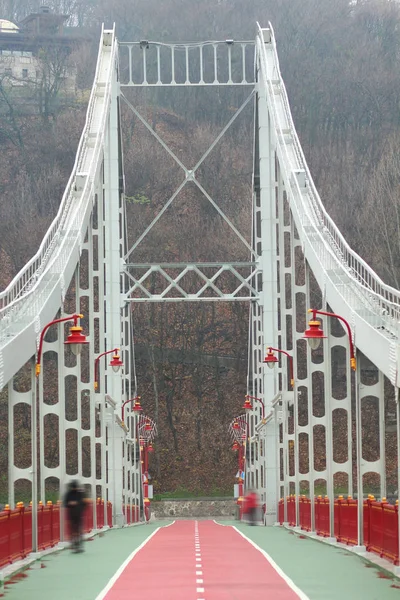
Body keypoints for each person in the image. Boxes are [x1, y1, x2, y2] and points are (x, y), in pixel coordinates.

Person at [63, 480, 86, 552]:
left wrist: (77, 504)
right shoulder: (68, 494)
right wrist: (70, 503)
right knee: (73, 530)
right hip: (72, 515)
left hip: (78, 514)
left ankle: (78, 545)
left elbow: (83, 503)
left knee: (78, 529)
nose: (74, 488)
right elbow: (65, 503)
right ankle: (74, 544)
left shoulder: (80, 494)